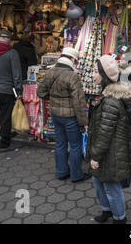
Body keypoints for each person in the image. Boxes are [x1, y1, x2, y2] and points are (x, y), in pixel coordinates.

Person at [87, 55, 131, 224]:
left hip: (111, 152)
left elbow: (105, 133)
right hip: (108, 150)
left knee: (111, 186)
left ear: (104, 74)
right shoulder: (107, 95)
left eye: (95, 71)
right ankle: (107, 211)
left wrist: (95, 156)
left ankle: (120, 218)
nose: (93, 75)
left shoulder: (110, 101)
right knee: (99, 182)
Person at [37, 47, 91, 183]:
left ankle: (61, 172)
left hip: (55, 115)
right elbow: (79, 102)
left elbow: (40, 92)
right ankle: (76, 175)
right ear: (72, 59)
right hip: (70, 117)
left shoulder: (50, 72)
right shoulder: (72, 76)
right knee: (75, 145)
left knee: (60, 143)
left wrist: (55, 98)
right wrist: (84, 122)